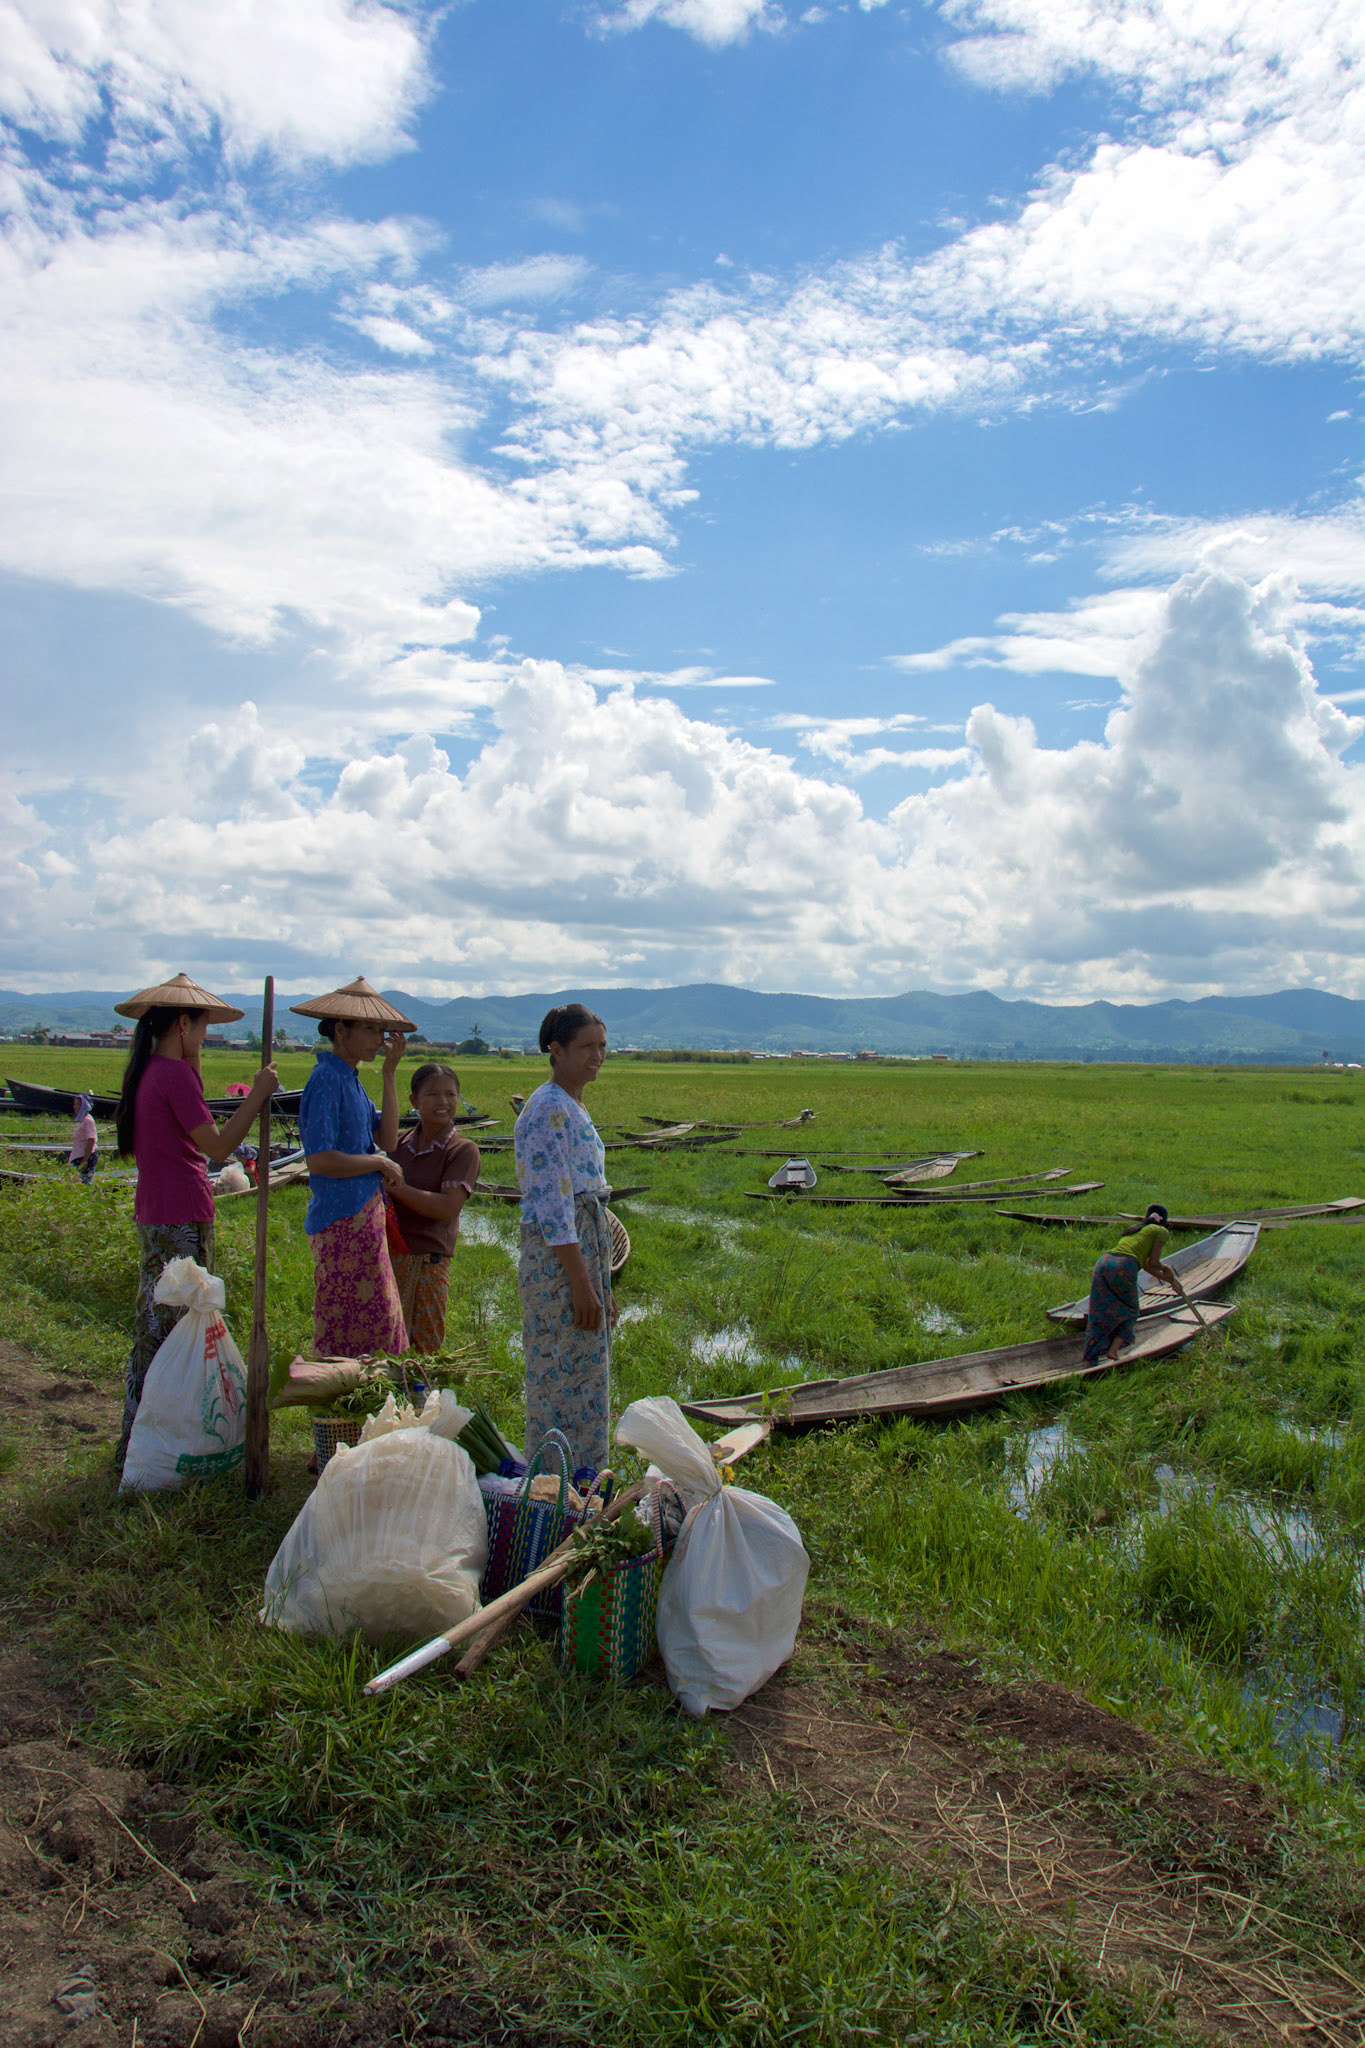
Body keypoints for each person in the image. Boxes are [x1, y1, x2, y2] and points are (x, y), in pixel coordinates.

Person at [112, 973, 278, 1468]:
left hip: (156, 1209)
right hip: (182, 1211)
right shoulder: (173, 1076)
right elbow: (220, 1147)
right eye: (202, 1029)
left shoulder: (151, 1072)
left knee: (157, 1320)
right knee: (175, 1327)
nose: (206, 1038)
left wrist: (193, 1056)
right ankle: (164, 1439)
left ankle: (143, 1435)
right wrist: (261, 1092)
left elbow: (194, 1108)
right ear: (183, 1024)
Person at [514, 1003, 615, 1472]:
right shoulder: (550, 1108)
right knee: (562, 1369)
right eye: (586, 1046)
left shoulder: (571, 1104)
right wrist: (581, 1283)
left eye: (602, 1045)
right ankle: (557, 1486)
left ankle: (582, 1482)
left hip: (580, 1250)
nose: (597, 1055)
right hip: (560, 1259)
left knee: (586, 1366)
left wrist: (599, 1284)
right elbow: (554, 1208)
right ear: (555, 1050)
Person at [291, 976, 414, 1357]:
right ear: (341, 1030)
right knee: (349, 1323)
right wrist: (377, 1163)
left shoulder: (351, 1079)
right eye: (371, 1029)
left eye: (382, 1030)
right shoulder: (327, 1078)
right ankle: (341, 1404)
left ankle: (365, 1404)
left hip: (362, 1216)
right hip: (341, 1219)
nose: (379, 1039)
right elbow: (320, 1159)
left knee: (377, 1320)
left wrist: (390, 1074)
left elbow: (389, 1140)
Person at [386, 1063, 481, 1355]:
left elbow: (446, 1208)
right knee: (385, 1346)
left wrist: (396, 1187)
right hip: (389, 1257)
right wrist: (388, 1073)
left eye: (450, 1094)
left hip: (429, 1262)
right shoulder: (397, 1143)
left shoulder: (462, 1150)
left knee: (422, 1351)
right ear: (414, 1101)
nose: (443, 1102)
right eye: (433, 1094)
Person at [1082, 1204, 1181, 1365]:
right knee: (1132, 1310)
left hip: (1104, 1263)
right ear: (1163, 1222)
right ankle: (1113, 1350)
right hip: (1125, 1267)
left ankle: (1089, 1359)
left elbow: (1146, 1265)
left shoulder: (1134, 1230)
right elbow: (1154, 1263)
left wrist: (1170, 1280)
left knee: (1098, 1312)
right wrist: (1166, 1268)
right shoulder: (1162, 1232)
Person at [68, 1093, 99, 1184]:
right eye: (75, 1104)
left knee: (83, 1182)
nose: (75, 1107)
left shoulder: (88, 1120)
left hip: (83, 1156)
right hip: (78, 1155)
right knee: (73, 1180)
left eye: (78, 1104)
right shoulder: (83, 1120)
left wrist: (85, 1160)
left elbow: (91, 1140)